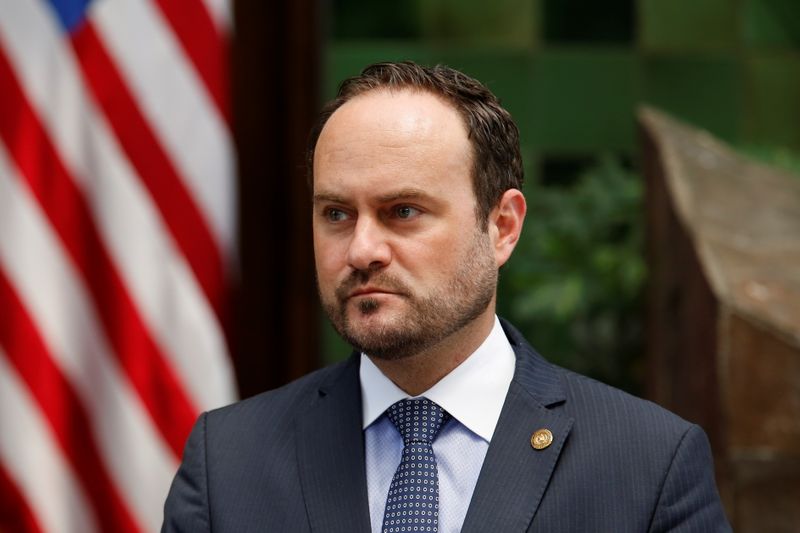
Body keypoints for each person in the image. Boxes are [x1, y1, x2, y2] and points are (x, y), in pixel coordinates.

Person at [162, 61, 731, 532]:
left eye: (402, 212)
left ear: (502, 226)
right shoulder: (229, 462)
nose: (362, 249)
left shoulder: (648, 463)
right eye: (336, 214)